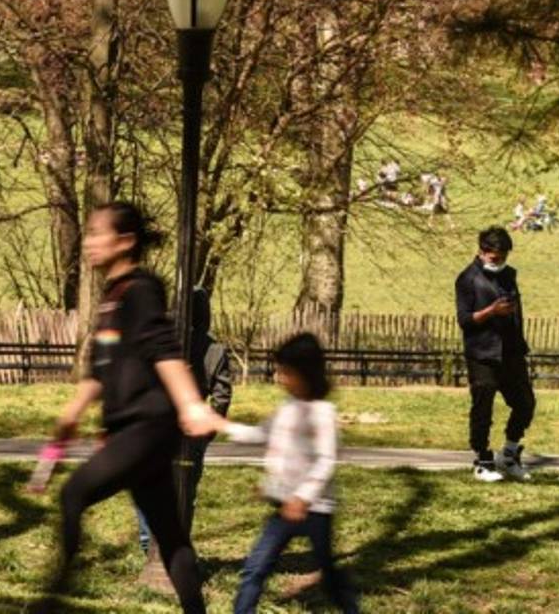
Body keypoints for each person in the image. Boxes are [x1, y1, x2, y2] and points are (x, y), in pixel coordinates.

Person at [41, 202, 217, 614]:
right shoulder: (111, 297)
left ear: (125, 242)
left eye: (97, 233)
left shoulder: (141, 290)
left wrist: (191, 403)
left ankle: (52, 603)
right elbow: (100, 370)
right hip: (134, 430)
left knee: (73, 494)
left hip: (148, 426)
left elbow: (163, 349)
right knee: (170, 536)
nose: (88, 243)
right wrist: (71, 416)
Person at [210, 333, 360, 614]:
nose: (281, 378)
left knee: (329, 577)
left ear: (306, 373)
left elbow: (326, 460)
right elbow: (259, 434)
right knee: (255, 568)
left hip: (315, 510)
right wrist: (220, 424)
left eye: (286, 372)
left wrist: (303, 497)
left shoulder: (322, 413)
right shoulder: (286, 409)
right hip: (282, 507)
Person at [136, 286, 232, 557]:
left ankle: (148, 540)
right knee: (185, 491)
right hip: (193, 429)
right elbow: (222, 395)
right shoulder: (215, 350)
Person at [455, 227, 535, 482]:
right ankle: (482, 459)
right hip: (482, 352)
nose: (498, 262)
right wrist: (491, 311)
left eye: (503, 257)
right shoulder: (467, 279)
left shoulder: (509, 276)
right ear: (482, 252)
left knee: (525, 403)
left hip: (511, 351)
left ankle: (509, 454)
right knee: (483, 404)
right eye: (494, 257)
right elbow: (465, 320)